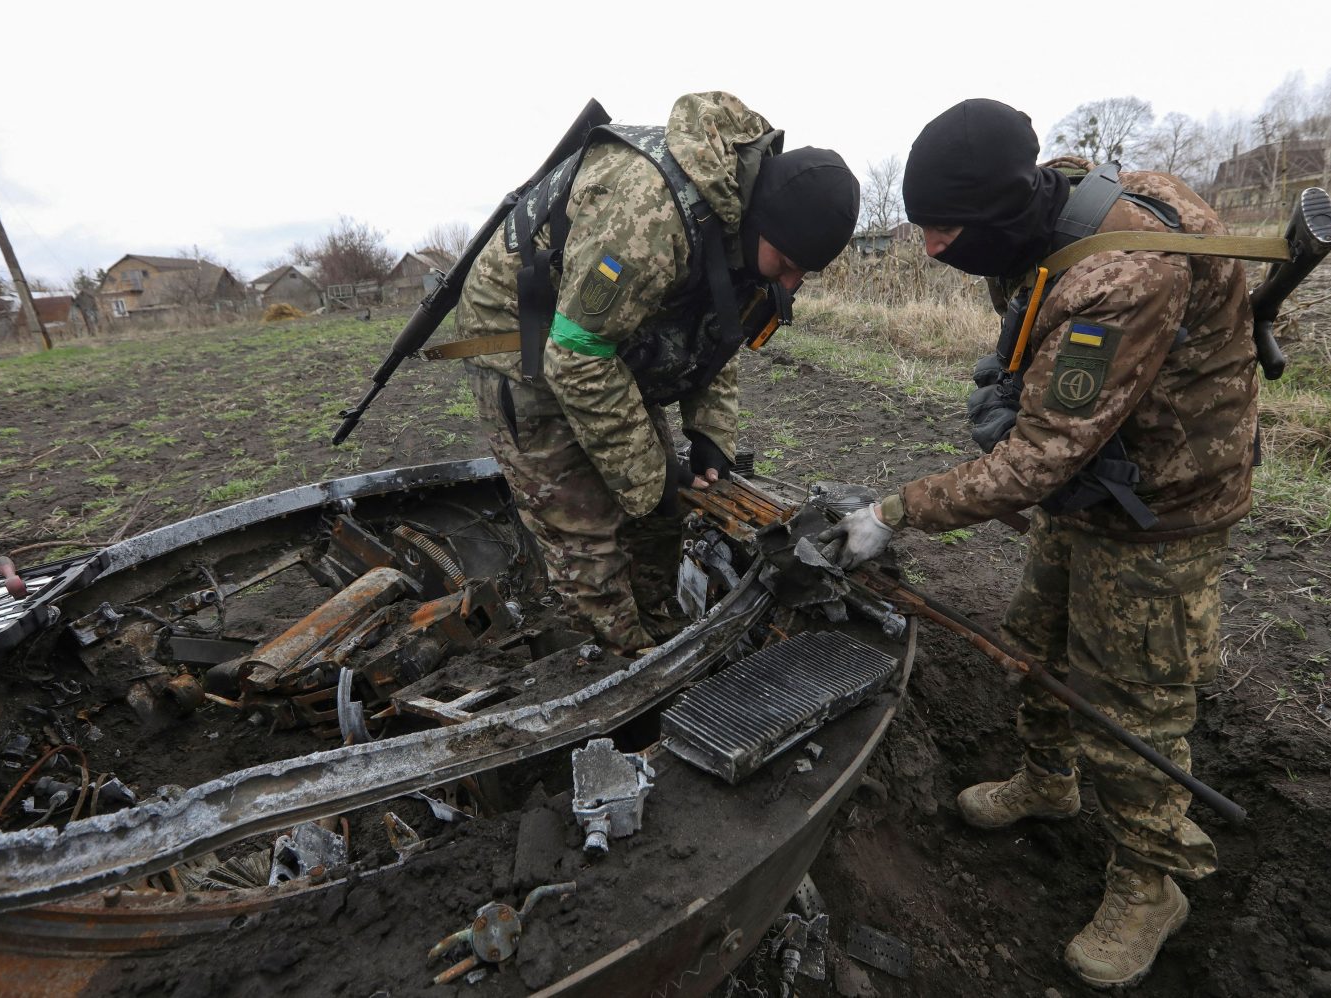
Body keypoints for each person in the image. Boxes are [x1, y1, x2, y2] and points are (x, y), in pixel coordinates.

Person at [819, 98, 1255, 988]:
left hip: (1162, 511)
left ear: (1000, 210)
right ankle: (1047, 779)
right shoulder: (1050, 216)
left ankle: (1148, 884)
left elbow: (1033, 464)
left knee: (1134, 702)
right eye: (924, 224)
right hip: (1099, 483)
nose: (932, 247)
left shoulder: (1122, 273)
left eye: (946, 229)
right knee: (1035, 643)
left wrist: (895, 513)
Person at [455, 91, 859, 655]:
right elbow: (575, 355)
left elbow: (719, 330)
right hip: (521, 341)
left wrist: (710, 436)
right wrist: (648, 472)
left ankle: (662, 630)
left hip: (602, 340)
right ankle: (616, 667)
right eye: (787, 265)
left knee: (658, 512)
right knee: (590, 537)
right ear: (760, 221)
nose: (788, 283)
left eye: (803, 274)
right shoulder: (646, 216)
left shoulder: (739, 220)